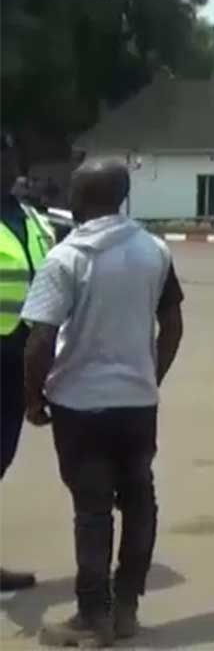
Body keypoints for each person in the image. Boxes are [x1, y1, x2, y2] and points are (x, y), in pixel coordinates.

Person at [21, 159, 185, 647]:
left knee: (93, 511)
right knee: (139, 501)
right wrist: (150, 377)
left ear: (80, 197)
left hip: (81, 407)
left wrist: (34, 397)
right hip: (137, 405)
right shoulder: (154, 250)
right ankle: (126, 608)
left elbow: (40, 338)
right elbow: (173, 324)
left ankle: (93, 617)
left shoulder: (66, 258)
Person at [1, 132, 58, 593]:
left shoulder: (33, 219)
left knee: (1, 458)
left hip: (19, 362)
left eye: (8, 154)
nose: (6, 163)